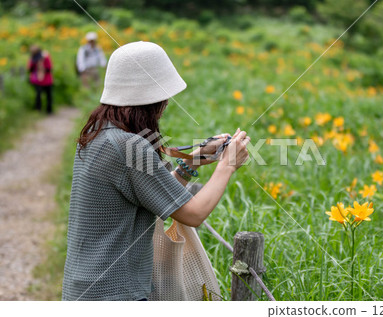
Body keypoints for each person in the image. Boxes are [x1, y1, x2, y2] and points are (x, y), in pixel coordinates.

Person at [62, 41, 250, 301]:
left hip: (83, 289)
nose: (165, 105)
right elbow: (193, 215)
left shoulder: (100, 135)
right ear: (151, 99)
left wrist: (190, 163)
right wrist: (227, 164)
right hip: (116, 294)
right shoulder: (129, 145)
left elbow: (151, 195)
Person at [28, 45, 53, 114]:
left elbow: (49, 68)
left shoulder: (46, 56)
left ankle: (49, 110)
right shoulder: (32, 58)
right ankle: (38, 109)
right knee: (38, 95)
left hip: (47, 79)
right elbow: (30, 68)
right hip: (37, 80)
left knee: (49, 95)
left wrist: (42, 68)